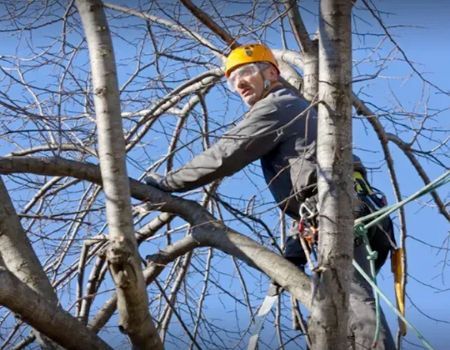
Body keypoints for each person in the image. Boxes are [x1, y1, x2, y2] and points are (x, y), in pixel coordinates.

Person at [145, 43, 395, 349]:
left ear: (272, 73)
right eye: (232, 80)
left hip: (342, 211)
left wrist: (169, 183)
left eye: (246, 73)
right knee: (333, 308)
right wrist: (295, 246)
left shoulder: (277, 105)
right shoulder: (297, 106)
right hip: (340, 211)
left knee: (352, 299)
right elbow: (311, 178)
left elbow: (227, 153)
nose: (238, 84)